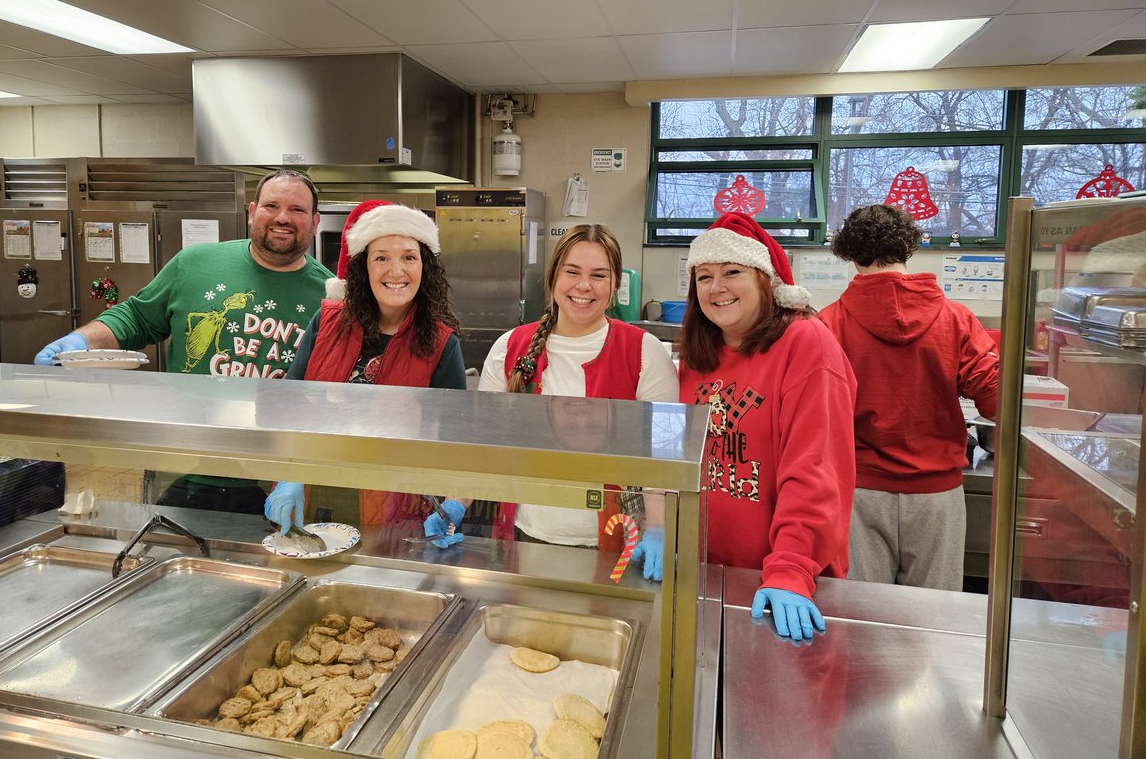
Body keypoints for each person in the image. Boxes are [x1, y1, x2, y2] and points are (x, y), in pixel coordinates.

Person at [33, 169, 332, 513]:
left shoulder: (329, 295)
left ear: (315, 221)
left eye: (297, 209)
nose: (282, 218)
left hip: (274, 473)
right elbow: (136, 318)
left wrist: (300, 471)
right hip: (185, 462)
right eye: (271, 205)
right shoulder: (195, 264)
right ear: (252, 212)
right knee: (170, 553)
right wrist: (80, 341)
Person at [423, 224, 678, 550]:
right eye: (572, 272)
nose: (584, 285)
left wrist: (658, 527)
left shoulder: (647, 352)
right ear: (554, 277)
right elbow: (484, 445)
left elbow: (666, 456)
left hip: (622, 542)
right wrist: (455, 504)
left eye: (599, 275)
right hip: (525, 536)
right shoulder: (510, 347)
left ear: (615, 285)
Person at [674, 212, 856, 642]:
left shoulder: (806, 344)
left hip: (782, 584)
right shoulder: (699, 355)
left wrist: (790, 569)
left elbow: (815, 471)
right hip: (706, 575)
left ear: (766, 280)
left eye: (732, 272)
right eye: (704, 276)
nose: (716, 288)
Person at [819, 204, 999, 591]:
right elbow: (996, 400)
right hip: (937, 495)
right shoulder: (956, 318)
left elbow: (811, 418)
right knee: (932, 624)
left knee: (861, 619)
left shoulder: (828, 324)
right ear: (908, 249)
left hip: (857, 491)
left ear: (850, 255)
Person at [264, 200, 466, 535]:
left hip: (394, 508)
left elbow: (456, 443)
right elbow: (291, 408)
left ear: (424, 267)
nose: (396, 271)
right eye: (381, 257)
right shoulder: (326, 323)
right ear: (364, 267)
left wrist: (452, 504)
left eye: (409, 257)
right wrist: (288, 478)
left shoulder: (442, 345)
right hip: (313, 492)